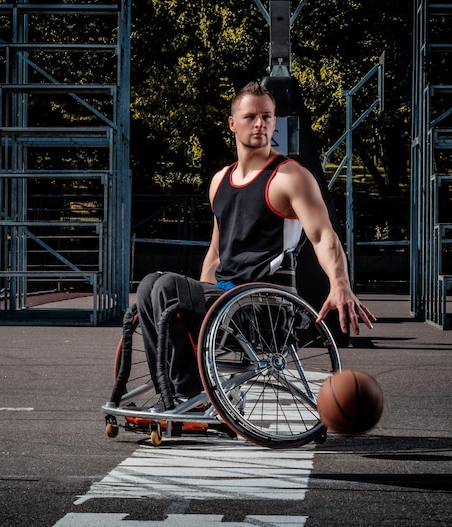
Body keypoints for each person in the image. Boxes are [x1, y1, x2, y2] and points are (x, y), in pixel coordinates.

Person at [136, 82, 376, 411]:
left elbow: (324, 236)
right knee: (150, 285)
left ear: (275, 121)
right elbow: (216, 253)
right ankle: (174, 396)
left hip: (264, 305)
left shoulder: (289, 177)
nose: (260, 123)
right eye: (251, 116)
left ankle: (191, 400)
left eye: (267, 116)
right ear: (232, 123)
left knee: (165, 286)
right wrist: (199, 305)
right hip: (224, 301)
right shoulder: (220, 180)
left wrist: (340, 284)